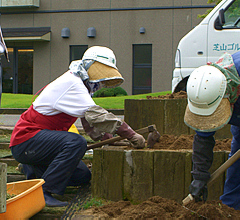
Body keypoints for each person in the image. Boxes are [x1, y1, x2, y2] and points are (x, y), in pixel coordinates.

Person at [10, 46, 146, 207]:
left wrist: (107, 139)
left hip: (38, 145)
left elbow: (88, 120)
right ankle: (44, 192)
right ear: (90, 66)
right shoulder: (73, 83)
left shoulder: (81, 85)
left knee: (82, 176)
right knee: (76, 142)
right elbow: (97, 115)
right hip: (26, 140)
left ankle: (31, 167)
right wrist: (130, 134)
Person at [184, 51, 240, 210]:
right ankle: (231, 209)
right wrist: (199, 177)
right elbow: (203, 138)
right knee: (237, 162)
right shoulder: (206, 91)